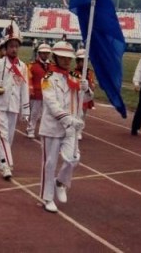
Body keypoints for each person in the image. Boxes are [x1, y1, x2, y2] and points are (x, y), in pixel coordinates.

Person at [39, 40, 90, 213]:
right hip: (53, 127)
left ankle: (60, 182)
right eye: (63, 58)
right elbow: (51, 104)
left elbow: (87, 100)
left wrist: (87, 89)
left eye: (70, 58)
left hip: (71, 128)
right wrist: (68, 118)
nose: (67, 61)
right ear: (56, 57)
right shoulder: (48, 79)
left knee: (73, 158)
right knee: (50, 163)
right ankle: (47, 198)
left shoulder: (75, 79)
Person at [0, 27, 30, 180]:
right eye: (11, 46)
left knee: (9, 137)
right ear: (5, 48)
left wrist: (26, 110)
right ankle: (6, 164)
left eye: (16, 46)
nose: (14, 49)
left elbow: (24, 88)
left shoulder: (23, 67)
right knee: (2, 134)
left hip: (14, 105)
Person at [27, 43, 51, 139]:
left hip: (48, 94)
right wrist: (30, 90)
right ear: (39, 54)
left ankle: (43, 131)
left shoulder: (52, 66)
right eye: (43, 53)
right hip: (36, 93)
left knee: (45, 114)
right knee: (34, 113)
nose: (45, 55)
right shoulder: (32, 66)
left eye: (47, 53)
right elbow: (29, 78)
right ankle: (30, 129)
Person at [73, 49, 95, 141]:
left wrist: (88, 81)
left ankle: (79, 131)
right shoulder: (73, 72)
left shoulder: (90, 73)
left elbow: (93, 87)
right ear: (77, 61)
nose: (84, 63)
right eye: (82, 60)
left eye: (86, 60)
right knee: (76, 114)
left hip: (85, 97)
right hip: (76, 97)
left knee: (83, 115)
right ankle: (74, 130)